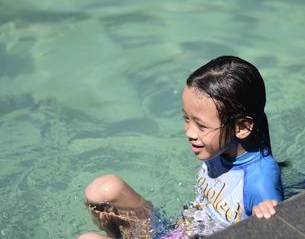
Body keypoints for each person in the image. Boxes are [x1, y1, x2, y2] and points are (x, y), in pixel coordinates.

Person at [78, 56, 284, 239]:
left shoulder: (259, 181)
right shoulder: (219, 147)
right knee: (104, 188)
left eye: (201, 125)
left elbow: (279, 225)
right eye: (186, 119)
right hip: (176, 232)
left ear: (241, 127)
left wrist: (267, 211)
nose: (190, 132)